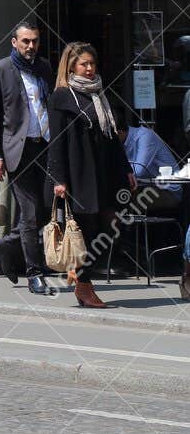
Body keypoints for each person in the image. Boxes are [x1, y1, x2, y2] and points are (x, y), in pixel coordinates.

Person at [49, 42, 137, 309]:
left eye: (92, 64)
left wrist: (126, 168)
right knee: (86, 231)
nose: (89, 69)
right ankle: (84, 287)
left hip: (104, 172)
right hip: (79, 174)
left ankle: (79, 275)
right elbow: (57, 141)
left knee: (108, 227)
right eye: (83, 64)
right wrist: (58, 179)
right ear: (71, 66)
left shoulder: (99, 94)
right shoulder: (62, 97)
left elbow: (111, 137)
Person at [0, 21, 56, 297]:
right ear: (14, 42)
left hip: (46, 147)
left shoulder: (44, 68)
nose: (30, 46)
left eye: (35, 41)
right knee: (29, 212)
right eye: (25, 41)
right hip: (18, 152)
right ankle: (34, 274)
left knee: (46, 210)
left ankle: (4, 247)